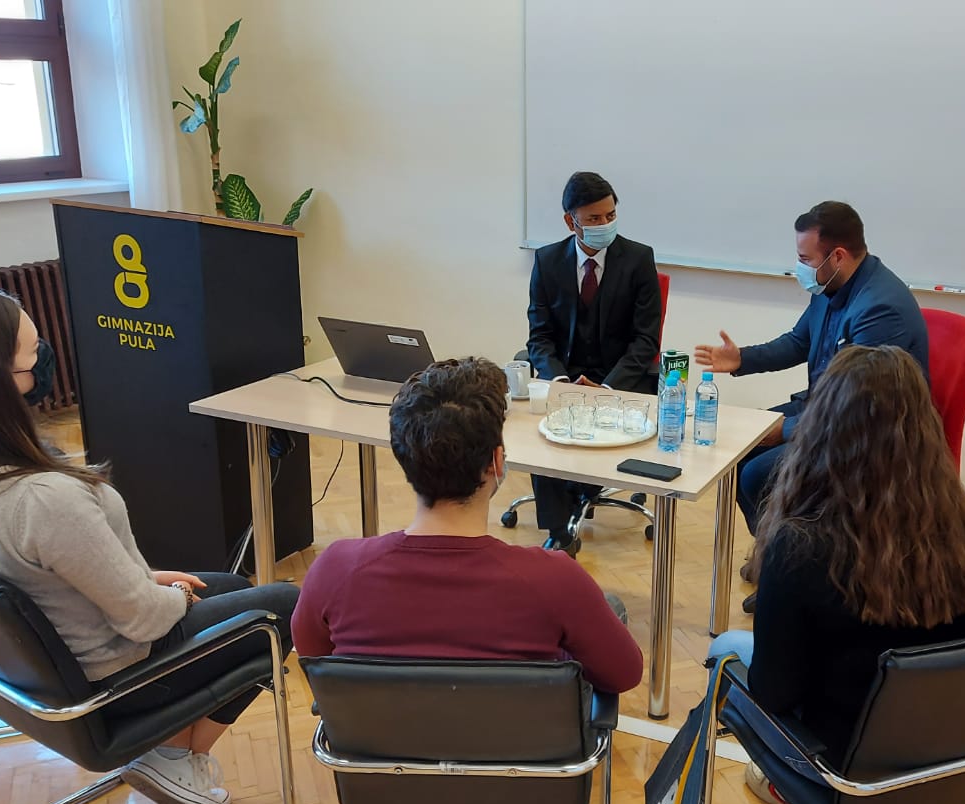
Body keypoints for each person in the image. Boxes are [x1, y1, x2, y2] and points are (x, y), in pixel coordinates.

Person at [0, 287, 300, 804]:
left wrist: (143, 577)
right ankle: (175, 756)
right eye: (32, 355)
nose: (44, 362)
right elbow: (145, 619)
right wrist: (171, 593)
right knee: (285, 605)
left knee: (229, 587)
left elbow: (34, 572)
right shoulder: (44, 499)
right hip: (119, 676)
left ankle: (169, 749)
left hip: (51, 659)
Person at [704, 345, 965, 804]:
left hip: (836, 761)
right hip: (933, 752)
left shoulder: (801, 545)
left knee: (724, 650)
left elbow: (774, 693)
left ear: (822, 428)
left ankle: (787, 789)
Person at [292, 357, 643, 695]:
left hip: (376, 734)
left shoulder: (335, 570)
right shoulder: (558, 581)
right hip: (515, 735)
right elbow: (623, 674)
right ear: (497, 461)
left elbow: (315, 663)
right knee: (609, 608)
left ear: (403, 459)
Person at [694, 200, 928, 611]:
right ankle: (780, 559)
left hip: (869, 431)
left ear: (837, 256)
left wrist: (784, 430)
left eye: (805, 259)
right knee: (737, 450)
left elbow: (859, 410)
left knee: (761, 474)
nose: (799, 268)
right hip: (825, 410)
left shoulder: (880, 309)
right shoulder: (830, 286)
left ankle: (795, 577)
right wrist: (742, 359)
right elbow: (799, 341)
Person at [525, 171, 663, 554]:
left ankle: (581, 493)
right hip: (566, 374)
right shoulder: (547, 260)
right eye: (594, 218)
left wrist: (606, 387)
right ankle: (559, 530)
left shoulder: (638, 259)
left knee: (595, 419)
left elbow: (646, 340)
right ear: (571, 222)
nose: (605, 224)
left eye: (610, 215)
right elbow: (539, 335)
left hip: (619, 376)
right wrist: (559, 381)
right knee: (545, 431)